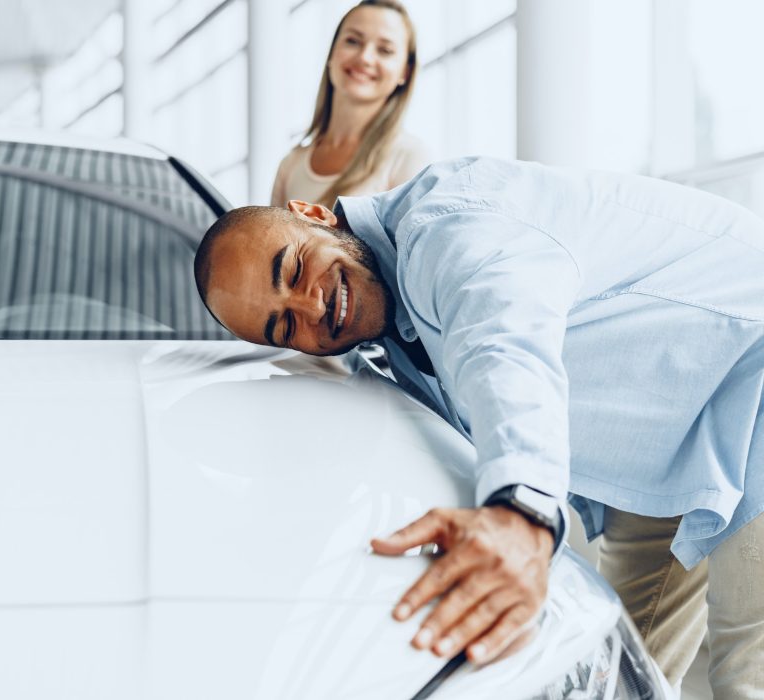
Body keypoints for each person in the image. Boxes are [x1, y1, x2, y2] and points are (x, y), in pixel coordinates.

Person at [194, 156, 764, 699]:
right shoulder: (388, 338)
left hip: (747, 373)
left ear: (313, 214)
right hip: (672, 445)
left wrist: (522, 515)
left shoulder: (449, 224)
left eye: (293, 268)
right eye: (285, 325)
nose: (313, 308)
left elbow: (503, 345)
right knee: (610, 678)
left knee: (744, 678)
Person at [270, 0, 429, 209]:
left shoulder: (409, 157)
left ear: (404, 73)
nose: (365, 57)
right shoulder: (291, 165)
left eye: (385, 50)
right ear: (332, 54)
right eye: (353, 41)